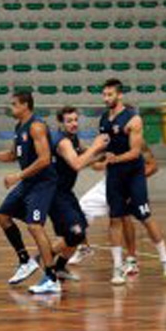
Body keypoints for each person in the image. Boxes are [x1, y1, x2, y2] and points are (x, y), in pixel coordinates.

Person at [0, 91, 60, 294]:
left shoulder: (36, 126)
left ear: (25, 105)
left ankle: (51, 277)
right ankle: (25, 261)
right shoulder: (19, 127)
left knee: (35, 226)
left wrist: (18, 176)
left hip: (42, 183)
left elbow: (45, 158)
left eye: (14, 104)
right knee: (2, 216)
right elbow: (13, 155)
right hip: (28, 182)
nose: (11, 108)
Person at [98, 78, 166, 285]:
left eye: (110, 94)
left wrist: (114, 159)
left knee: (145, 216)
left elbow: (134, 152)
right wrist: (96, 159)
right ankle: (117, 267)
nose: (106, 98)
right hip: (114, 175)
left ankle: (165, 259)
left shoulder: (133, 119)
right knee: (115, 219)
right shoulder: (104, 119)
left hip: (133, 174)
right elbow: (105, 147)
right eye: (104, 94)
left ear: (119, 95)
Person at [47, 106, 108, 281]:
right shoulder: (63, 141)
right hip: (56, 194)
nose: (74, 124)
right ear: (60, 123)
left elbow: (85, 157)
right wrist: (96, 147)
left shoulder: (73, 139)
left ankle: (59, 268)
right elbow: (77, 164)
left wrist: (102, 154)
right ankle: (39, 260)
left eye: (75, 120)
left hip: (66, 193)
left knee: (79, 234)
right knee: (74, 234)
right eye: (69, 121)